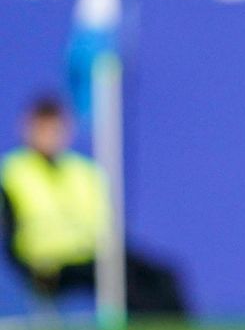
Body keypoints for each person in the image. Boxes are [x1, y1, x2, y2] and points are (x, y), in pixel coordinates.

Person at [1, 97, 186, 316]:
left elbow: (104, 222)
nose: (50, 136)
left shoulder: (84, 171)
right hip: (50, 263)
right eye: (43, 129)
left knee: (162, 277)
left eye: (55, 129)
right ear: (27, 129)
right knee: (130, 289)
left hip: (94, 253)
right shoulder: (13, 172)